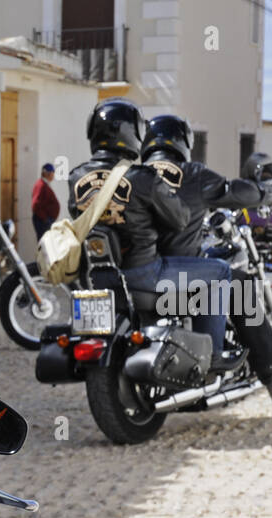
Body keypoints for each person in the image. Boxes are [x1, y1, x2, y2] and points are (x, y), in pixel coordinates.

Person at [70, 100, 239, 371]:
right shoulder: (141, 177)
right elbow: (180, 220)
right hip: (142, 272)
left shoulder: (75, 177)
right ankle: (215, 354)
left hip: (92, 275)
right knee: (220, 272)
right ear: (131, 134)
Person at [138, 114, 258, 369]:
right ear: (183, 142)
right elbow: (232, 192)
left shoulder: (132, 175)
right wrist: (265, 192)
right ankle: (214, 355)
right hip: (170, 274)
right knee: (223, 274)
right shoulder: (193, 173)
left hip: (134, 271)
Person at [31, 163, 60, 239]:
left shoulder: (44, 184)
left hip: (45, 221)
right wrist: (45, 218)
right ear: (47, 173)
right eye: (52, 173)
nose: (53, 175)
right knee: (44, 243)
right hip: (42, 222)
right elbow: (35, 204)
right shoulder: (41, 185)